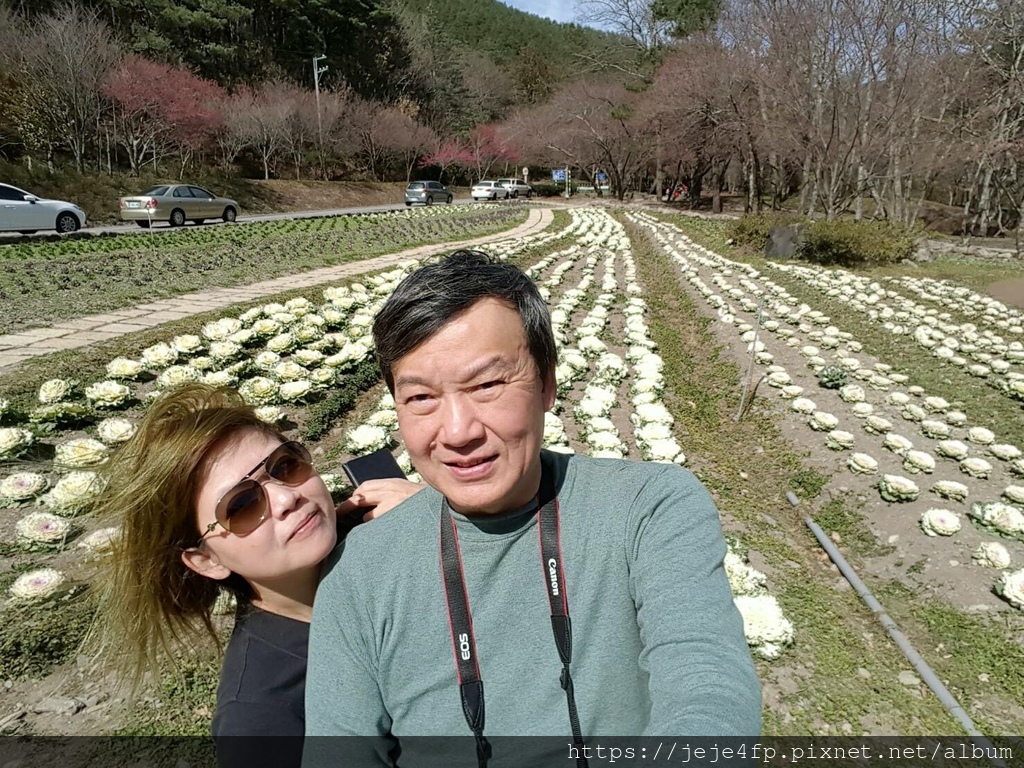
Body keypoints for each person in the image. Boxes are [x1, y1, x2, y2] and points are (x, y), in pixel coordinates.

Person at [303, 251, 762, 765]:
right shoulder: (361, 571)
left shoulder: (646, 509)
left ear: (547, 383)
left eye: (487, 385)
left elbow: (707, 684)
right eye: (421, 398)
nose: (458, 432)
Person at [90, 383, 419, 766]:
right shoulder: (259, 718)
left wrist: (446, 520)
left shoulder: (388, 535)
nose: (285, 498)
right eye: (242, 505)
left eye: (284, 465)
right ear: (205, 560)